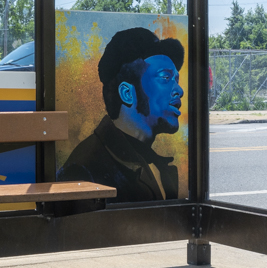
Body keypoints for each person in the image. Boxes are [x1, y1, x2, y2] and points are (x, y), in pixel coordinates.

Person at [58, 27, 184, 204]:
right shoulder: (84, 169)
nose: (179, 90)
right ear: (127, 93)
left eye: (176, 80)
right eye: (165, 77)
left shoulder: (156, 164)